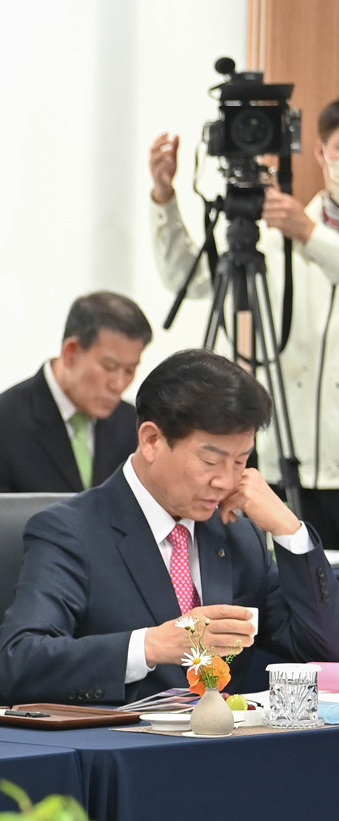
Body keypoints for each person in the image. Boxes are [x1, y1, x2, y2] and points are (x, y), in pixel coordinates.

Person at [0, 349, 339, 705]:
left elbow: (323, 651)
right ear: (152, 441)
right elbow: (20, 661)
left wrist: (289, 530)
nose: (225, 481)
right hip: (121, 735)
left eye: (241, 461)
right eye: (211, 460)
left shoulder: (238, 534)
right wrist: (151, 646)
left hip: (229, 735)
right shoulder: (71, 531)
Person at [149, 103, 339, 543]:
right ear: (319, 152)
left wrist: (309, 235)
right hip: (281, 464)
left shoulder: (300, 230)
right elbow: (187, 277)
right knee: (280, 579)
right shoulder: (272, 236)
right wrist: (164, 198)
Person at [0, 291, 150, 494]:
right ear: (71, 352)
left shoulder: (135, 425)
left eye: (130, 370)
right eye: (109, 367)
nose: (118, 384)